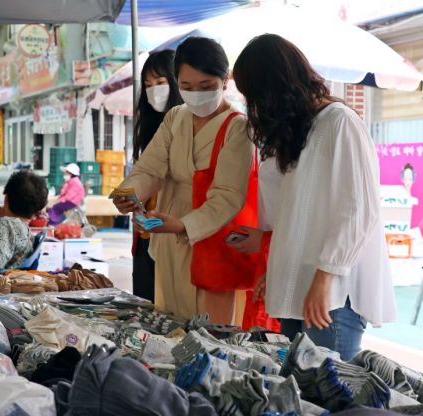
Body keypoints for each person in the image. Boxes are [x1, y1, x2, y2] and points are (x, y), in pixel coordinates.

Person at [231, 33, 396, 360]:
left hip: (331, 294)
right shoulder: (299, 130)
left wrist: (324, 279)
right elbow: (292, 216)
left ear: (276, 87)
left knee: (330, 398)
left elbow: (359, 211)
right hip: (298, 288)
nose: (254, 107)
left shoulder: (340, 122)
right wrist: (273, 269)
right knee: (304, 396)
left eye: (255, 95)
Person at [112, 37, 256, 324]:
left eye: (206, 87)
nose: (196, 94)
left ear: (224, 81)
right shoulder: (176, 117)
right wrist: (129, 193)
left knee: (210, 329)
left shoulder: (237, 127)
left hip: (212, 237)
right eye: (187, 87)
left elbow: (228, 196)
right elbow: (150, 168)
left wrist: (182, 225)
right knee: (170, 317)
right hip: (168, 232)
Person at [130, 50, 184, 302]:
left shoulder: (188, 126)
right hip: (146, 233)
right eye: (148, 85)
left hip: (176, 235)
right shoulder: (149, 127)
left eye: (161, 83)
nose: (154, 91)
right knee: (146, 309)